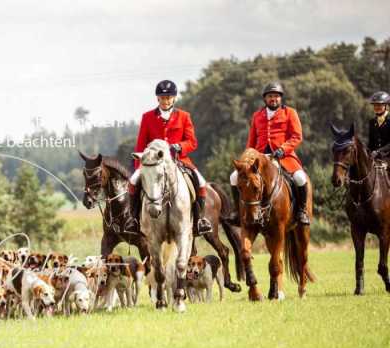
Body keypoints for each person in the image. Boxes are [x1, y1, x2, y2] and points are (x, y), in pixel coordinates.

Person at [124, 80, 212, 236]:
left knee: (202, 182)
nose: (166, 101)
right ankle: (133, 220)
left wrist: (180, 146)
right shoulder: (147, 117)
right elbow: (140, 145)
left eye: (169, 97)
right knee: (132, 181)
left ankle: (200, 220)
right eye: (162, 98)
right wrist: (140, 166)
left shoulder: (184, 116)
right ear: (158, 99)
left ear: (174, 98)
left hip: (179, 161)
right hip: (152, 163)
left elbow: (192, 142)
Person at [228, 82, 310, 225]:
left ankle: (301, 212)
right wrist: (247, 159)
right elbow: (251, 142)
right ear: (265, 99)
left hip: (284, 157)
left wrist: (283, 149)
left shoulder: (290, 113)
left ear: (281, 98)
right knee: (234, 177)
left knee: (300, 177)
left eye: (277, 96)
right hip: (258, 160)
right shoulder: (257, 116)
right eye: (270, 96)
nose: (274, 99)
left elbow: (297, 136)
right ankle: (237, 212)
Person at [368, 91, 390, 160]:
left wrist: (378, 151)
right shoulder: (372, 122)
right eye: (375, 105)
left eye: (379, 105)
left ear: (386, 105)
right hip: (375, 157)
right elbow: (371, 143)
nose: (376, 107)